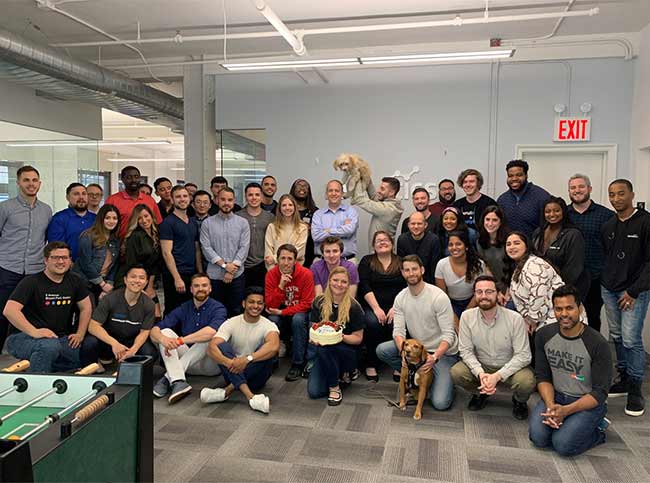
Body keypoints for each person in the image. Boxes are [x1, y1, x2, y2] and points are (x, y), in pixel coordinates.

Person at [529, 285, 612, 457]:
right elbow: (542, 376)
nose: (564, 314)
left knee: (563, 445)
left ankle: (597, 430)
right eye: (559, 309)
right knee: (538, 438)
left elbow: (600, 393)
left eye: (569, 308)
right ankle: (569, 423)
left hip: (586, 402)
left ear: (580, 308)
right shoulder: (544, 335)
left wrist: (566, 411)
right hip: (556, 396)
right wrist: (551, 406)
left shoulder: (598, 343)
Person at [376, 255, 458, 411]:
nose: (411, 273)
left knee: (440, 403)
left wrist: (434, 357)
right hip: (416, 350)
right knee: (383, 350)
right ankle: (419, 377)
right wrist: (403, 352)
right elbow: (398, 331)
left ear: (422, 270)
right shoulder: (401, 297)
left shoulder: (438, 297)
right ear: (402, 273)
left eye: (414, 269)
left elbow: (449, 335)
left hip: (442, 353)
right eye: (407, 270)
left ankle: (433, 380)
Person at [450, 275, 534, 419]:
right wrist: (480, 374)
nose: (484, 296)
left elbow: (524, 355)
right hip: (482, 365)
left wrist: (497, 376)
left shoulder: (515, 319)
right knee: (456, 372)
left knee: (527, 381)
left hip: (510, 367)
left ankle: (519, 401)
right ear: (474, 294)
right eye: (479, 292)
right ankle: (480, 393)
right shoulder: (466, 317)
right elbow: (465, 351)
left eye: (489, 291)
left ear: (498, 293)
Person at [601, 179, 650, 417]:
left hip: (634, 291)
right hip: (609, 288)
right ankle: (622, 377)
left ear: (632, 194)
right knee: (617, 336)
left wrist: (633, 291)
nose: (616, 198)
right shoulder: (609, 224)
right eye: (612, 194)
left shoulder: (646, 222)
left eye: (621, 193)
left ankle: (635, 388)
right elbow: (608, 257)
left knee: (631, 339)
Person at [3, 242, 91, 373]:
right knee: (49, 347)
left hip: (58, 338)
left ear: (70, 260)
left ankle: (35, 366)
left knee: (85, 349)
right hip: (22, 337)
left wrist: (80, 334)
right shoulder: (31, 282)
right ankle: (34, 384)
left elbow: (86, 307)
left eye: (65, 258)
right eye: (55, 257)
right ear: (45, 260)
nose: (61, 261)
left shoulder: (75, 281)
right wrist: (35, 332)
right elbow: (9, 310)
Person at [201, 287, 280, 414]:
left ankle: (226, 391)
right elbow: (211, 348)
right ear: (244, 304)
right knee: (221, 346)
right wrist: (230, 363)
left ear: (263, 305)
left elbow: (274, 346)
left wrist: (247, 360)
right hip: (231, 371)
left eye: (259, 303)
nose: (255, 306)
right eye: (251, 302)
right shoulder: (231, 323)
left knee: (267, 350)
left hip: (257, 377)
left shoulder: (269, 325)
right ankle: (251, 397)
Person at [149, 274, 227, 404]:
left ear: (210, 288)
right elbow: (154, 331)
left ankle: (168, 378)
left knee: (209, 338)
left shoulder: (218, 308)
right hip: (188, 364)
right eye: (196, 286)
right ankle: (178, 381)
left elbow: (210, 332)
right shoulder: (184, 307)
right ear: (191, 289)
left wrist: (180, 341)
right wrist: (164, 340)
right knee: (165, 332)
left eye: (204, 285)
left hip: (210, 365)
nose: (200, 288)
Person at [0, 166, 52, 350]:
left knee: (28, 316)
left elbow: (45, 240)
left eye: (34, 180)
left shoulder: (46, 210)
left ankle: (20, 356)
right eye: (26, 180)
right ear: (18, 183)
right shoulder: (5, 208)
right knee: (3, 314)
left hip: (34, 270)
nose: (31, 184)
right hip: (8, 269)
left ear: (39, 183)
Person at [81, 265, 158, 370]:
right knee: (89, 343)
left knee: (149, 353)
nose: (137, 280)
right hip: (109, 341)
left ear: (146, 282)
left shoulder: (149, 304)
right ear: (125, 280)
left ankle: (130, 372)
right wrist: (114, 343)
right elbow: (93, 326)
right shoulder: (110, 299)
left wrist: (133, 350)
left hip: (131, 343)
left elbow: (145, 331)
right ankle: (94, 369)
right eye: (133, 277)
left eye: (141, 278)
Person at [307, 267, 365, 405]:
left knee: (327, 347)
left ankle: (335, 387)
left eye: (344, 282)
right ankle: (339, 374)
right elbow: (313, 328)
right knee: (315, 392)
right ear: (329, 281)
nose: (339, 284)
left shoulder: (354, 307)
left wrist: (338, 336)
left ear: (348, 284)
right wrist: (315, 339)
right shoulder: (319, 302)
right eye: (335, 280)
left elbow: (358, 338)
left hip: (347, 351)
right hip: (323, 350)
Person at [567, 174, 614, 332]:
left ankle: (593, 354)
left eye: (581, 186)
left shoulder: (606, 215)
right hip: (569, 278)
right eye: (573, 187)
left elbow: (612, 248)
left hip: (595, 277)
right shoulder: (563, 215)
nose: (577, 190)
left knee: (593, 317)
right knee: (567, 317)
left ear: (589, 189)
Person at [358, 231, 406, 382]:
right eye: (378, 240)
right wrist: (376, 308)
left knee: (397, 323)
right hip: (372, 305)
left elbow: (406, 287)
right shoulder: (367, 261)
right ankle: (371, 363)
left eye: (386, 240)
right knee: (372, 322)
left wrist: (395, 308)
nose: (382, 242)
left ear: (392, 244)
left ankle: (398, 364)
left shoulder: (401, 262)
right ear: (373, 245)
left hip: (396, 306)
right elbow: (364, 286)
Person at [264, 244, 315, 381]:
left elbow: (307, 303)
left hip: (297, 312)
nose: (286, 263)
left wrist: (283, 312)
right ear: (277, 259)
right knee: (272, 321)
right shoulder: (271, 274)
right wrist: (280, 286)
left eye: (290, 259)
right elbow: (269, 305)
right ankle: (271, 359)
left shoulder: (306, 274)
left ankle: (298, 364)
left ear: (295, 260)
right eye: (283, 258)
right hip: (279, 311)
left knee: (298, 320)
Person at [201, 187, 250, 317]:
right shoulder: (207, 223)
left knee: (236, 311)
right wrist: (225, 266)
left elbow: (244, 247)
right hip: (215, 276)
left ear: (234, 201)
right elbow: (206, 248)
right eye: (223, 199)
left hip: (237, 275)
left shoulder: (243, 223)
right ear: (217, 200)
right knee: (216, 311)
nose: (226, 203)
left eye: (229, 200)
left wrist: (232, 268)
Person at [504, 232, 564, 334]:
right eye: (508, 244)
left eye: (516, 243)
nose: (512, 247)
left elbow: (539, 295)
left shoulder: (534, 264)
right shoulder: (520, 265)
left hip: (554, 321)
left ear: (527, 246)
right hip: (540, 322)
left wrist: (532, 320)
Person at [532, 197, 589, 301]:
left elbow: (574, 268)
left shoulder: (573, 234)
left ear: (563, 212)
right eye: (548, 211)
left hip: (567, 290)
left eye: (556, 210)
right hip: (542, 288)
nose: (552, 214)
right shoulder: (538, 232)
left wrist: (558, 288)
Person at [114, 204, 163, 318]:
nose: (144, 220)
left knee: (157, 315)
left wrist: (149, 286)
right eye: (139, 218)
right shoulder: (135, 236)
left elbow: (155, 265)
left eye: (146, 216)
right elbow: (131, 265)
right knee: (136, 316)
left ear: (151, 215)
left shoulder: (156, 234)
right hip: (131, 281)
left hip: (146, 281)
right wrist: (140, 287)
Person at [160, 186, 202, 316]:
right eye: (178, 197)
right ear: (172, 200)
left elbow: (197, 250)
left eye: (185, 196)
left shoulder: (193, 222)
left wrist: (200, 273)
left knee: (190, 310)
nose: (182, 199)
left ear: (189, 198)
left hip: (191, 273)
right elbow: (167, 253)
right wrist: (177, 278)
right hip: (175, 274)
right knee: (174, 310)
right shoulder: (168, 223)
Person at [72, 204, 121, 303]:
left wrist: (109, 284)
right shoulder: (88, 236)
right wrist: (102, 284)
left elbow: (114, 265)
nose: (111, 221)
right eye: (107, 218)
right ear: (101, 219)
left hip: (103, 284)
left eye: (114, 218)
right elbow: (85, 263)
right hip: (84, 283)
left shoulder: (115, 240)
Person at [435, 230, 486, 324]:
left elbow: (479, 291)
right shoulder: (441, 265)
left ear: (466, 247)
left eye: (458, 244)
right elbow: (442, 296)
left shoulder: (478, 264)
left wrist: (466, 313)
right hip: (451, 304)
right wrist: (454, 318)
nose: (454, 248)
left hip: (474, 301)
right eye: (450, 245)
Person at [497, 159, 550, 237]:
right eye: (510, 176)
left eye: (519, 175)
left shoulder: (541, 196)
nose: (514, 178)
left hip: (534, 247)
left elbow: (550, 226)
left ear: (526, 175)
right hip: (509, 246)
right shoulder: (502, 200)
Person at [105, 166, 162, 238]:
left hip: (147, 244)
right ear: (122, 179)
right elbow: (104, 225)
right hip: (121, 244)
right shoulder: (112, 200)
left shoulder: (150, 200)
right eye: (129, 177)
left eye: (136, 177)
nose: (133, 180)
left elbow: (158, 223)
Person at [237, 183, 274, 289]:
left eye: (257, 195)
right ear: (245, 196)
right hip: (242, 266)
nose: (254, 198)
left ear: (262, 196)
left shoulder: (270, 217)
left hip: (263, 265)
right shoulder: (237, 216)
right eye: (250, 195)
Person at [311, 180, 359, 263]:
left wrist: (328, 230)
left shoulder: (351, 212)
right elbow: (316, 236)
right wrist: (342, 230)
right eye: (330, 191)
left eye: (337, 191)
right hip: (322, 262)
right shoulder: (318, 214)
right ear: (326, 194)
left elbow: (349, 230)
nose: (333, 193)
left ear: (342, 194)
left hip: (347, 261)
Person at [47, 183, 96, 261]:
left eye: (84, 194)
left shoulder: (96, 219)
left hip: (94, 267)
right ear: (67, 197)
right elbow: (56, 249)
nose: (81, 197)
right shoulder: (59, 219)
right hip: (69, 268)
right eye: (76, 194)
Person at [351, 175, 404, 245]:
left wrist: (356, 178)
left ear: (391, 192)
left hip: (381, 252)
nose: (378, 191)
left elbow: (358, 199)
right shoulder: (391, 205)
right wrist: (366, 175)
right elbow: (374, 197)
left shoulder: (387, 209)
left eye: (382, 189)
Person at [264, 194, 309, 269]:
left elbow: (299, 252)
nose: (287, 208)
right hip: (275, 271)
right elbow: (268, 254)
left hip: (295, 271)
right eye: (284, 205)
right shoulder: (272, 227)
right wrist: (274, 273)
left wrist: (274, 259)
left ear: (295, 207)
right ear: (279, 208)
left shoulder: (302, 228)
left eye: (290, 205)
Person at [397, 211, 441, 284]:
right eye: (413, 224)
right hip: (408, 281)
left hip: (429, 282)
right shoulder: (402, 240)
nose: (416, 226)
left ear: (425, 225)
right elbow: (401, 265)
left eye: (419, 223)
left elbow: (434, 268)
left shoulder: (433, 240)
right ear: (408, 225)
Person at [476, 205, 510, 293]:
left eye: (495, 220)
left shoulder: (509, 241)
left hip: (510, 286)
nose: (490, 224)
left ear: (501, 222)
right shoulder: (479, 242)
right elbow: (486, 268)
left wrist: (507, 291)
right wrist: (496, 290)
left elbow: (513, 268)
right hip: (492, 287)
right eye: (487, 219)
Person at [290, 179, 318, 267]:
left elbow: (320, 233)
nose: (302, 188)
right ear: (293, 189)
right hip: (290, 253)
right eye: (299, 185)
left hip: (309, 254)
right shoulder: (287, 210)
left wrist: (311, 229)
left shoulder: (316, 212)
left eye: (305, 186)